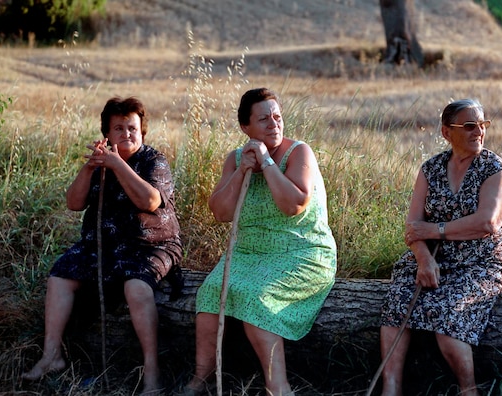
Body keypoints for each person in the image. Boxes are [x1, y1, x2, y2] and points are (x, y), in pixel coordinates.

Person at [22, 97, 183, 395]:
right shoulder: (101, 164)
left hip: (151, 246)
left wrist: (117, 164)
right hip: (104, 245)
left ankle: (151, 373)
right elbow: (74, 203)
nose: (127, 134)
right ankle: (51, 356)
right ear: (107, 134)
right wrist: (89, 168)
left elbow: (149, 201)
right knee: (60, 275)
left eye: (132, 128)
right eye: (118, 128)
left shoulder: (153, 161)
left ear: (142, 132)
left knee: (136, 287)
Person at [182, 88, 337, 396]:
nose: (273, 124)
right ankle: (202, 379)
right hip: (247, 252)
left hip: (301, 253)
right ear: (245, 127)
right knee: (211, 292)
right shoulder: (236, 159)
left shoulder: (299, 153)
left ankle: (278, 388)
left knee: (256, 300)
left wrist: (266, 164)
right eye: (264, 119)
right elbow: (220, 212)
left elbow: (293, 205)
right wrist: (242, 171)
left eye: (277, 117)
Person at [379, 99, 502, 396]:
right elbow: (413, 227)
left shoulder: (494, 169)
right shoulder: (431, 169)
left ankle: (468, 390)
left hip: (483, 263)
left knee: (446, 312)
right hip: (436, 259)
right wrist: (425, 259)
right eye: (469, 126)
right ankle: (391, 387)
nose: (478, 131)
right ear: (446, 132)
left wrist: (435, 230)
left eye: (482, 125)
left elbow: (487, 223)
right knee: (397, 302)